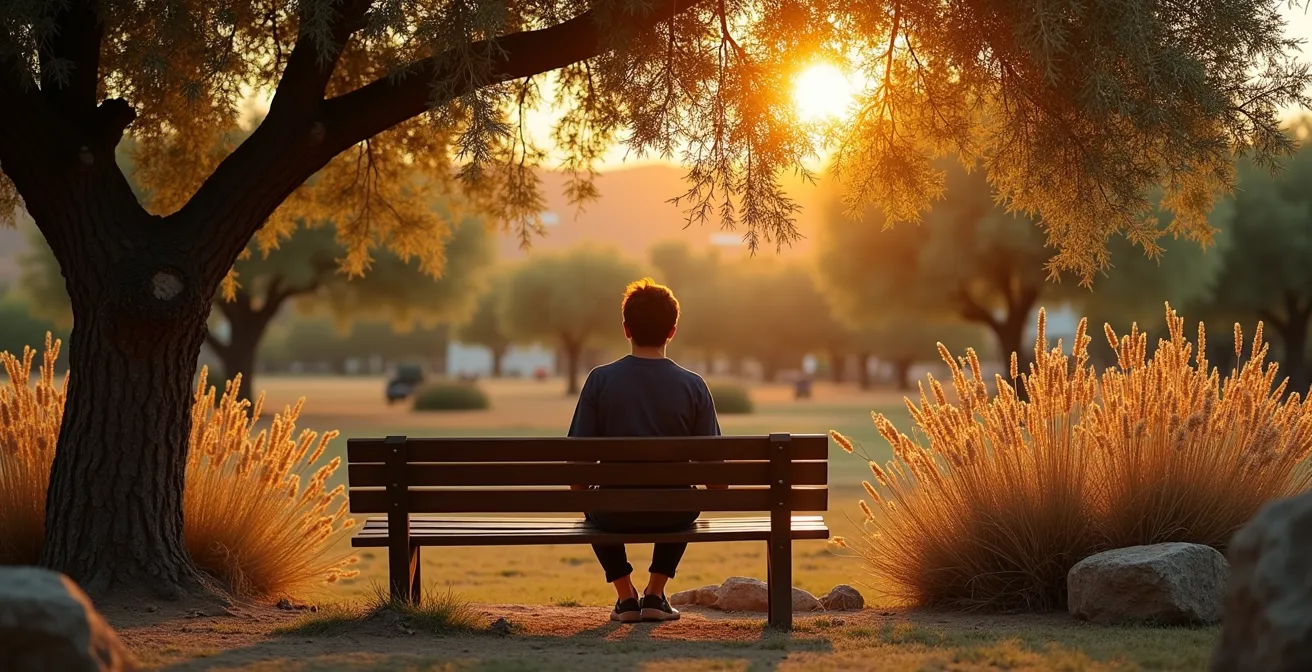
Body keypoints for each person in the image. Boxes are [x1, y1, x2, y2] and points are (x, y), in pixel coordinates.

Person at [567, 278, 723, 624]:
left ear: (626, 329)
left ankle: (626, 597)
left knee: (591, 499)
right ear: (673, 331)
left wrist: (586, 496)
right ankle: (655, 594)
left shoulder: (599, 380)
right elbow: (717, 478)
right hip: (674, 512)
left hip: (611, 512)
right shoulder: (694, 385)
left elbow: (576, 470)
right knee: (688, 498)